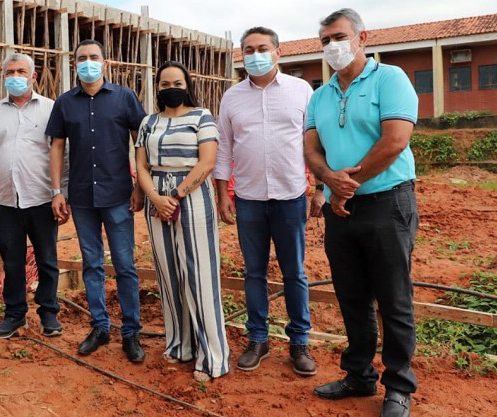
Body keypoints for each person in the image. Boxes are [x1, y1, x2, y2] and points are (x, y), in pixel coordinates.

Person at [304, 8, 418, 417]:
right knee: (351, 296)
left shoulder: (390, 79)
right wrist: (328, 181)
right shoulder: (319, 95)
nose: (332, 46)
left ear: (362, 38)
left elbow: (395, 140)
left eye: (339, 37)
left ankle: (398, 386)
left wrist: (345, 186)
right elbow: (311, 149)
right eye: (325, 40)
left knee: (393, 298)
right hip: (340, 210)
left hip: (387, 202)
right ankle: (358, 374)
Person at [213, 26, 319, 376]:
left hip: (291, 197)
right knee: (254, 272)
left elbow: (313, 142)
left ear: (278, 52)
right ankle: (258, 339)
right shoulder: (231, 97)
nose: (255, 55)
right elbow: (224, 147)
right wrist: (222, 194)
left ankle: (299, 342)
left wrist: (320, 186)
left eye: (262, 48)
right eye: (248, 49)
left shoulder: (301, 90)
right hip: (249, 199)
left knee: (295, 273)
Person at [46, 39, 147, 363]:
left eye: (93, 57)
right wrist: (57, 191)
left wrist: (139, 185)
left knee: (125, 265)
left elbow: (140, 141)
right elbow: (57, 147)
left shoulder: (124, 97)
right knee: (91, 264)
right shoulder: (65, 103)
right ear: (74, 64)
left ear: (105, 63)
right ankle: (100, 327)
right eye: (81, 58)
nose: (87, 62)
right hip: (82, 197)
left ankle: (131, 332)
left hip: (118, 194)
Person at [135, 61, 230, 382]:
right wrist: (155, 197)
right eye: (165, 84)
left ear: (187, 85)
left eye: (177, 83)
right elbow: (141, 165)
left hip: (192, 197)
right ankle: (180, 345)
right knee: (169, 274)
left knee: (199, 274)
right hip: (156, 200)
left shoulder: (202, 116)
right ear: (157, 88)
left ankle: (212, 356)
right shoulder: (148, 122)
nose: (171, 88)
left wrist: (175, 196)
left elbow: (208, 162)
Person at [0, 53, 65, 339]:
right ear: (3, 77)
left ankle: (48, 313)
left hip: (42, 199)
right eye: (10, 72)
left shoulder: (50, 109)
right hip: (7, 202)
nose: (15, 76)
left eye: (21, 71)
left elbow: (63, 154)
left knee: (47, 259)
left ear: (33, 76)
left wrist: (62, 193)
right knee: (11, 261)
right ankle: (14, 315)